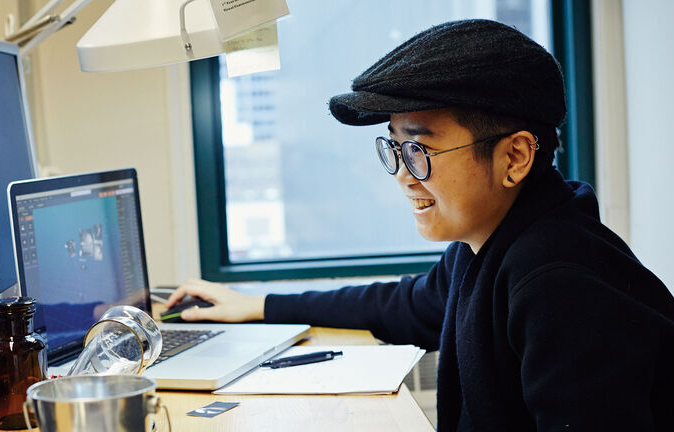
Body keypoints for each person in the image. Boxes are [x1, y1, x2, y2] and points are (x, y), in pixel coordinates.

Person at [166, 19, 674, 430]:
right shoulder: (491, 243)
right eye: (395, 149)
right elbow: (406, 305)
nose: (404, 178)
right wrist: (257, 305)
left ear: (515, 156)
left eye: (420, 149)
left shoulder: (559, 281)